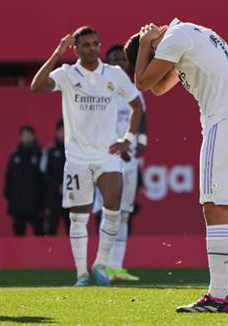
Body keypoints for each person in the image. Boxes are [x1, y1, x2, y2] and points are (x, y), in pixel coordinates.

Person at [124, 19, 228, 312]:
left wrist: (146, 44)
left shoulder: (174, 37)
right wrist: (151, 49)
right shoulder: (191, 33)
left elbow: (143, 83)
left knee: (214, 208)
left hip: (222, 125)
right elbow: (159, 88)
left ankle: (218, 295)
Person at [31, 26, 143, 286]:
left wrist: (128, 139)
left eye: (96, 43)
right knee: (78, 216)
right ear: (75, 48)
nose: (93, 48)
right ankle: (81, 273)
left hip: (107, 155)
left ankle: (100, 264)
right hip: (78, 157)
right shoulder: (68, 74)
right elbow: (37, 86)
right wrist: (57, 53)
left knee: (113, 206)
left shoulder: (114, 74)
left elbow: (137, 105)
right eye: (86, 45)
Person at [92, 44, 148, 281]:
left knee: (124, 213)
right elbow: (93, 125)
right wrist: (119, 145)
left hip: (130, 159)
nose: (120, 64)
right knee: (107, 211)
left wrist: (140, 143)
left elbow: (141, 118)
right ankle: (101, 264)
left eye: (123, 61)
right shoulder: (99, 88)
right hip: (107, 157)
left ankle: (116, 266)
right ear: (106, 61)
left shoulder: (134, 88)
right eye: (115, 60)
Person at [4, 126, 44, 236]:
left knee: (40, 237)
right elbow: (8, 179)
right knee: (18, 238)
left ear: (33, 136)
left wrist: (43, 202)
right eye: (24, 136)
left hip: (36, 206)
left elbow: (45, 180)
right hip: (18, 206)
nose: (26, 139)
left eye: (28, 136)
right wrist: (10, 198)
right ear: (20, 137)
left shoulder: (41, 154)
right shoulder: (14, 155)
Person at [41, 119, 70, 235]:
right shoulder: (49, 151)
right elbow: (43, 172)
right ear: (57, 132)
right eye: (61, 131)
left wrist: (68, 186)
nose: (63, 133)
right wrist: (57, 186)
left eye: (65, 131)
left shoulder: (75, 151)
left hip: (71, 198)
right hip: (53, 198)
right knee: (50, 230)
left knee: (72, 230)